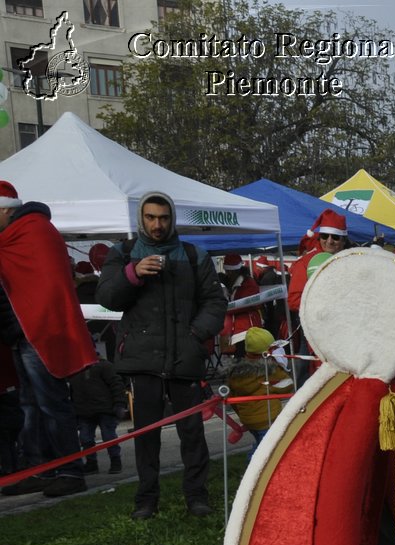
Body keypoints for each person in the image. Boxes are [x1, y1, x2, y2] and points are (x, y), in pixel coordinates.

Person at [96, 190, 226, 518]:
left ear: (172, 219)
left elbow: (215, 301)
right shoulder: (122, 253)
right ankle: (146, 500)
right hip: (143, 361)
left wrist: (195, 335)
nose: (157, 224)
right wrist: (133, 274)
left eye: (163, 218)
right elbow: (108, 297)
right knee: (146, 436)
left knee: (193, 434)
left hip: (185, 358)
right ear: (142, 218)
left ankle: (197, 497)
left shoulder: (194, 255)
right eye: (151, 217)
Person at [0, 181, 97, 497]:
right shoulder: (19, 234)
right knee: (30, 403)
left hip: (40, 332)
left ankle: (69, 470)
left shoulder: (34, 231)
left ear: (4, 209)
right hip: (21, 331)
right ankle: (41, 468)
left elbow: (45, 287)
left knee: (50, 401)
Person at [286, 209, 348, 385]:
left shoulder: (350, 260)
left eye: (335, 237)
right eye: (324, 236)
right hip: (315, 337)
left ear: (343, 239)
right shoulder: (306, 262)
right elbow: (294, 300)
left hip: (346, 335)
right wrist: (326, 306)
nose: (329, 241)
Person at [224, 326, 293, 455]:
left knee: (261, 442)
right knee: (267, 452)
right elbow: (287, 384)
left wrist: (242, 416)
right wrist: (271, 388)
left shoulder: (235, 373)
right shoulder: (270, 369)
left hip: (248, 420)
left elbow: (232, 398)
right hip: (269, 418)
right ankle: (253, 469)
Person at [71, 351, 123, 474]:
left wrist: (119, 403)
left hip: (104, 410)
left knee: (108, 437)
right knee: (85, 439)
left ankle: (114, 461)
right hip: (85, 411)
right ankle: (92, 463)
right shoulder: (75, 370)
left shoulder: (103, 366)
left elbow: (116, 384)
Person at [219, 252, 263, 352]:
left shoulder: (249, 283)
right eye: (227, 271)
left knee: (245, 355)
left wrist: (225, 308)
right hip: (235, 329)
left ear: (238, 271)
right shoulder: (231, 283)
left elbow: (247, 304)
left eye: (231, 272)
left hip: (247, 328)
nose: (228, 274)